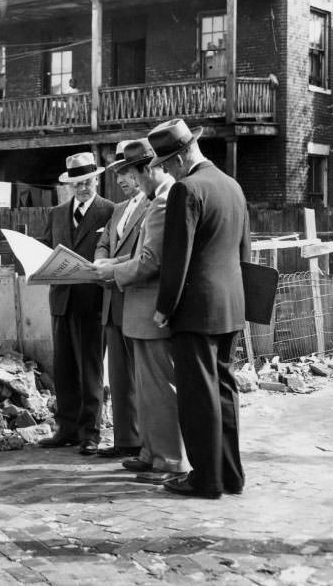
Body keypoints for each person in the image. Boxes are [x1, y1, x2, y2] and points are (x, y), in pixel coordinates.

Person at [148, 119, 250, 499]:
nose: (167, 171)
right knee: (224, 389)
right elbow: (244, 253)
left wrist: (164, 307)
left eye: (167, 163)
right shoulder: (232, 186)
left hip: (195, 311)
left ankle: (205, 479)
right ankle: (230, 474)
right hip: (231, 307)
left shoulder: (186, 189)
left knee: (196, 395)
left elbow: (178, 259)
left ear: (181, 156)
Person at [93, 139, 189, 483]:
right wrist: (116, 263)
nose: (132, 182)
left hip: (151, 310)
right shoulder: (157, 199)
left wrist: (112, 272)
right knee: (147, 388)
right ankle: (151, 452)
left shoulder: (163, 202)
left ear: (146, 170)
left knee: (160, 389)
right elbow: (140, 255)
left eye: (132, 173)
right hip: (141, 310)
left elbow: (150, 261)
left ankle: (168, 459)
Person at [40, 152, 114, 455]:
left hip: (92, 301)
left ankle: (90, 432)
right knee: (65, 368)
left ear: (96, 179)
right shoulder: (57, 214)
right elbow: (46, 250)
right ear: (69, 185)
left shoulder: (109, 211)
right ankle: (66, 429)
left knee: (91, 369)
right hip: (62, 300)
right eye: (77, 183)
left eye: (88, 181)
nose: (83, 188)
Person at [94, 141, 149, 459]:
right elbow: (103, 244)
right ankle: (125, 439)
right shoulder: (117, 210)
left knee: (143, 375)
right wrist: (101, 260)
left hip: (136, 299)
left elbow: (144, 254)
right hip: (112, 302)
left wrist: (111, 266)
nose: (121, 181)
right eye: (117, 177)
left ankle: (147, 440)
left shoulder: (153, 206)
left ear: (141, 173)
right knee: (119, 376)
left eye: (125, 174)